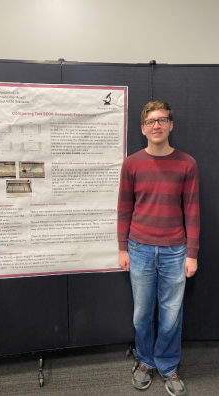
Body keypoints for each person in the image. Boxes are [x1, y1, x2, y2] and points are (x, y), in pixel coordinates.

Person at [117, 101, 199, 396]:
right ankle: (146, 360)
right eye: (151, 121)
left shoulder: (187, 164)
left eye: (162, 120)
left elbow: (192, 211)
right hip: (138, 249)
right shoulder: (131, 163)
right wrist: (122, 248)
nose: (156, 125)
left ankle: (167, 365)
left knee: (171, 314)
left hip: (176, 252)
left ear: (170, 125)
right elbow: (124, 208)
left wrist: (192, 253)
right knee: (141, 313)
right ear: (143, 128)